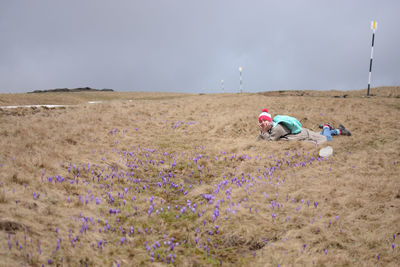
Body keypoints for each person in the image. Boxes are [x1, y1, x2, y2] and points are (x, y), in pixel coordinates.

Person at [257, 108, 351, 145]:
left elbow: (270, 143)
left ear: (270, 120)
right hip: (301, 133)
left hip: (303, 134)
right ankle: (339, 131)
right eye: (261, 121)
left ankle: (326, 127)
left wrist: (264, 131)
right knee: (319, 134)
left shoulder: (277, 129)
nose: (263, 122)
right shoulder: (270, 128)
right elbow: (259, 141)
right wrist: (263, 131)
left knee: (327, 139)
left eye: (265, 120)